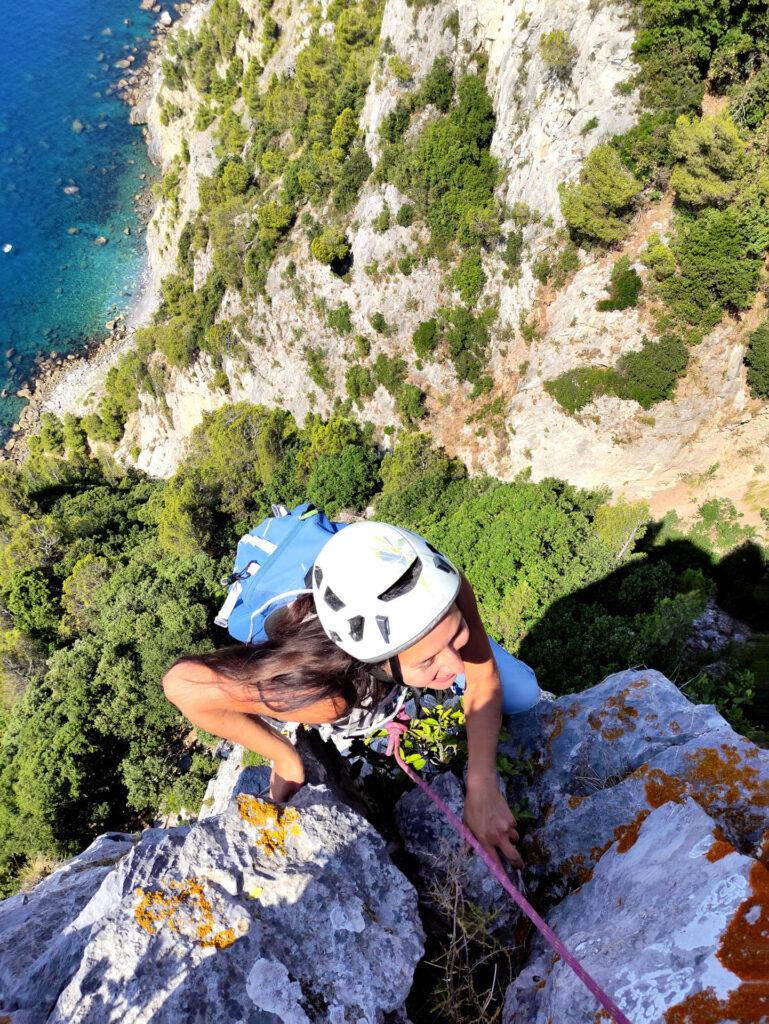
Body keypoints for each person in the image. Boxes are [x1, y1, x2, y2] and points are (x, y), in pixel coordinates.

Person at [163, 521, 542, 871]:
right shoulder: (323, 692)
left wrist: (482, 784)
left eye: (456, 636)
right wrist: (283, 755)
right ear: (378, 662)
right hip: (313, 635)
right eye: (428, 660)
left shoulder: (441, 587)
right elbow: (182, 685)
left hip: (355, 581)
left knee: (522, 695)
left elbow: (481, 677)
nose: (458, 665)